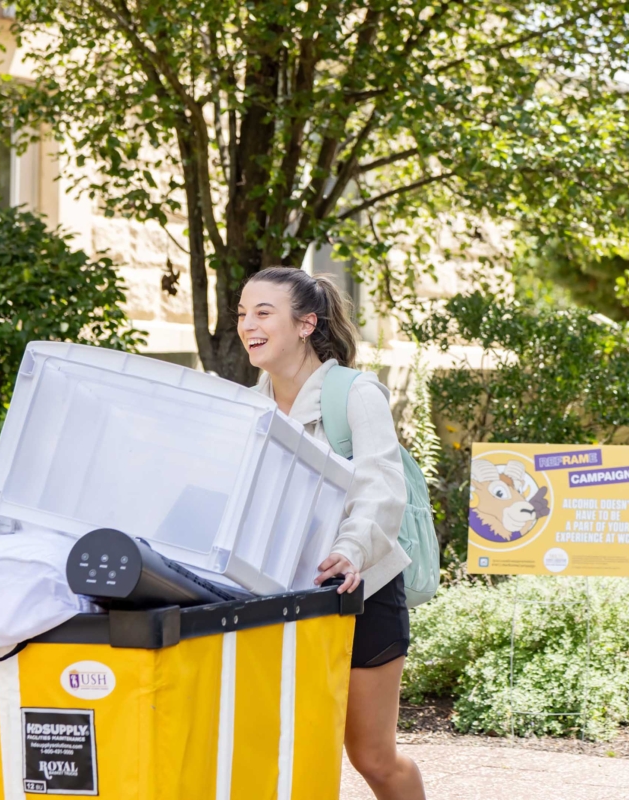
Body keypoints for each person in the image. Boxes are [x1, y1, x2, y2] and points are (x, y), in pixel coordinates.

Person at [237, 266, 427, 800]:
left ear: (305, 324)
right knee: (284, 745)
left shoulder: (355, 393)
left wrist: (349, 551)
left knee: (372, 756)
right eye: (242, 314)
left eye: (263, 312)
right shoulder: (250, 405)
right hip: (280, 594)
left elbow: (382, 489)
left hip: (358, 587)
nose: (248, 324)